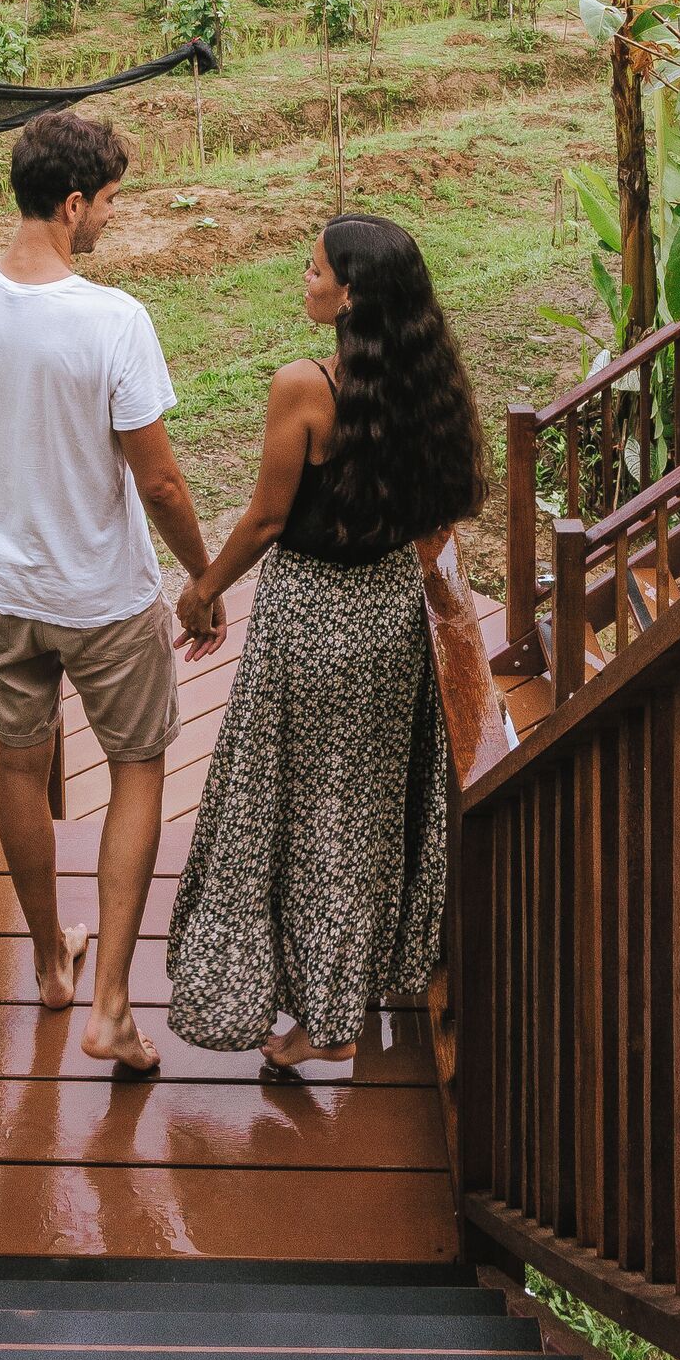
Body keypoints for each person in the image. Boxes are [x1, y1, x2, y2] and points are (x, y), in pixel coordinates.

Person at [0, 105, 222, 1077]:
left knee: (18, 770)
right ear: (74, 203)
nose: (112, 222)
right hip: (103, 597)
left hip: (3, 589)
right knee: (136, 768)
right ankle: (113, 1007)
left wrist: (0, 513)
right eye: (110, 205)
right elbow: (161, 481)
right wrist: (203, 580)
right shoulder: (113, 321)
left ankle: (52, 966)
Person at [165, 212, 486, 1075]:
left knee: (299, 814)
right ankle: (345, 990)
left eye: (312, 269)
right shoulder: (428, 383)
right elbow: (432, 521)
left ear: (349, 293)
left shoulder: (305, 387)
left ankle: (324, 1019)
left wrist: (201, 592)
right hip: (387, 618)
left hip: (309, 619)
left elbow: (268, 518)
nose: (300, 279)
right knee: (361, 815)